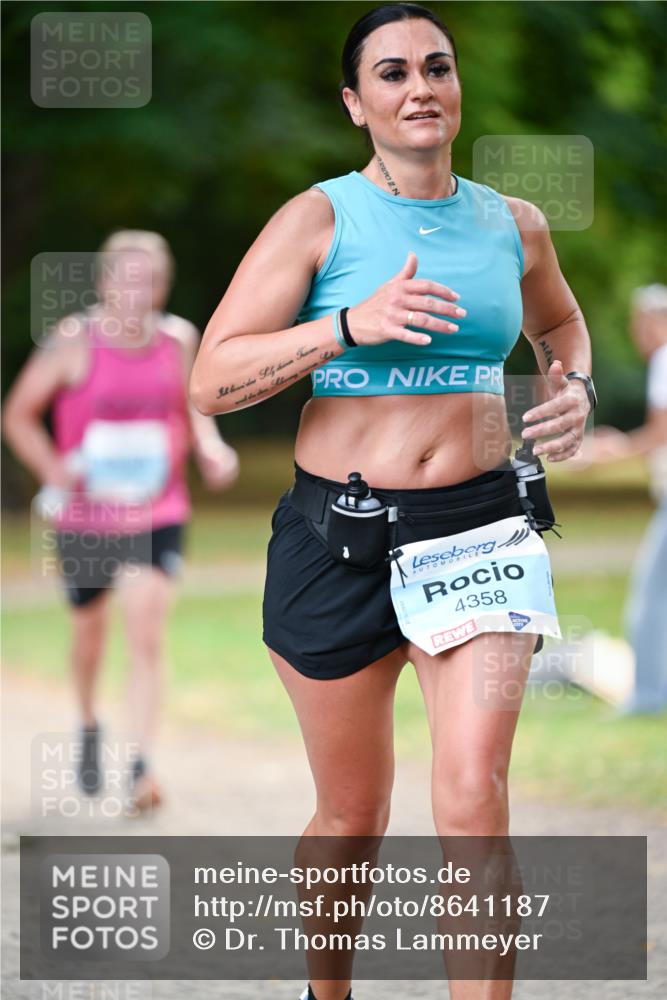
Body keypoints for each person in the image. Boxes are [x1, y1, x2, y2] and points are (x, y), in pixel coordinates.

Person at [190, 5, 594, 998]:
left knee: (471, 803)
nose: (419, 86)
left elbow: (561, 325)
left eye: (436, 67)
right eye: (391, 73)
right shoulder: (316, 218)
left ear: (456, 89)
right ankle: (325, 988)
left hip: (481, 526)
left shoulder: (515, 223)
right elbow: (212, 379)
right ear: (354, 103)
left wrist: (572, 385)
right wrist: (345, 326)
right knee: (350, 816)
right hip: (340, 535)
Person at [3, 230, 239, 810]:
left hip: (157, 510)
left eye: (152, 281)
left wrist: (209, 445)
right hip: (86, 517)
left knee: (146, 633)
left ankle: (139, 766)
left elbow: (194, 405)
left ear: (164, 284)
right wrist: (53, 468)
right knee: (90, 633)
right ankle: (87, 725)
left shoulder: (179, 338)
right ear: (105, 283)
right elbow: (18, 416)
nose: (140, 293)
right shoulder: (72, 342)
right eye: (128, 280)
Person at [591, 284, 667, 714]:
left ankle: (648, 697)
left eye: (639, 325)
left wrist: (613, 450)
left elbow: (661, 433)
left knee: (651, 598)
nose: (637, 335)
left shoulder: (664, 359)